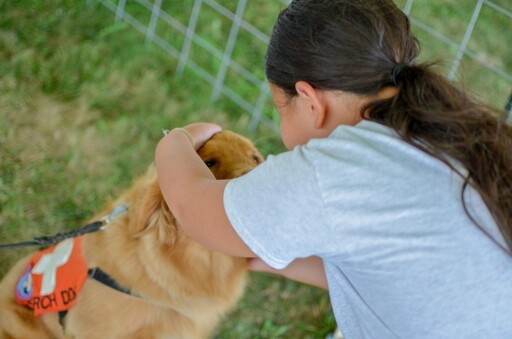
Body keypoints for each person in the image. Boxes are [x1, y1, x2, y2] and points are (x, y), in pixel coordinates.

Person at [155, 0, 512, 337]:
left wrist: (177, 139)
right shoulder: (441, 133)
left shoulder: (335, 172)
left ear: (310, 101)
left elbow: (193, 207)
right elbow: (383, 272)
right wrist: (272, 256)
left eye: (282, 110)